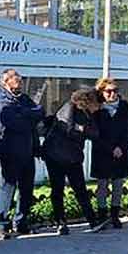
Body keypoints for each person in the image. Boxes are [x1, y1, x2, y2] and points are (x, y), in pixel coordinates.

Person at [0, 69, 45, 238]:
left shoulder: (22, 98)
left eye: (20, 78)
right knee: (8, 187)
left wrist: (23, 113)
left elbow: (40, 112)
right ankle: (1, 224)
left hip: (28, 149)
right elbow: (9, 120)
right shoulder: (0, 97)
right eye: (16, 78)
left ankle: (21, 222)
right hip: (10, 150)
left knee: (26, 188)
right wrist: (28, 116)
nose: (20, 80)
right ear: (5, 81)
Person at [41, 89, 102, 235]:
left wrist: (82, 129)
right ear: (89, 101)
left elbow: (95, 133)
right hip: (56, 156)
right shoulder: (69, 107)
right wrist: (82, 130)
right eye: (97, 104)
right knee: (57, 189)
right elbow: (66, 128)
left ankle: (92, 221)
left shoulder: (88, 114)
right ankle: (61, 222)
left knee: (80, 189)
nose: (99, 107)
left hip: (72, 156)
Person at [91, 78, 128, 230]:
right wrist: (111, 148)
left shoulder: (123, 106)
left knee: (118, 185)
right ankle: (102, 216)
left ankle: (115, 215)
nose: (112, 94)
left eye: (115, 90)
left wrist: (122, 147)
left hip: (120, 152)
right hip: (102, 152)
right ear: (102, 92)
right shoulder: (96, 108)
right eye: (109, 91)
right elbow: (94, 133)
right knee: (102, 186)